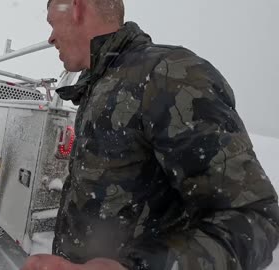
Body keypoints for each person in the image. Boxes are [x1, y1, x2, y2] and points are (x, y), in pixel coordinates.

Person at [22, 0, 279, 270]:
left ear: (76, 7)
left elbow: (253, 218)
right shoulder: (100, 82)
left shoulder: (168, 75)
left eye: (51, 23)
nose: (50, 38)